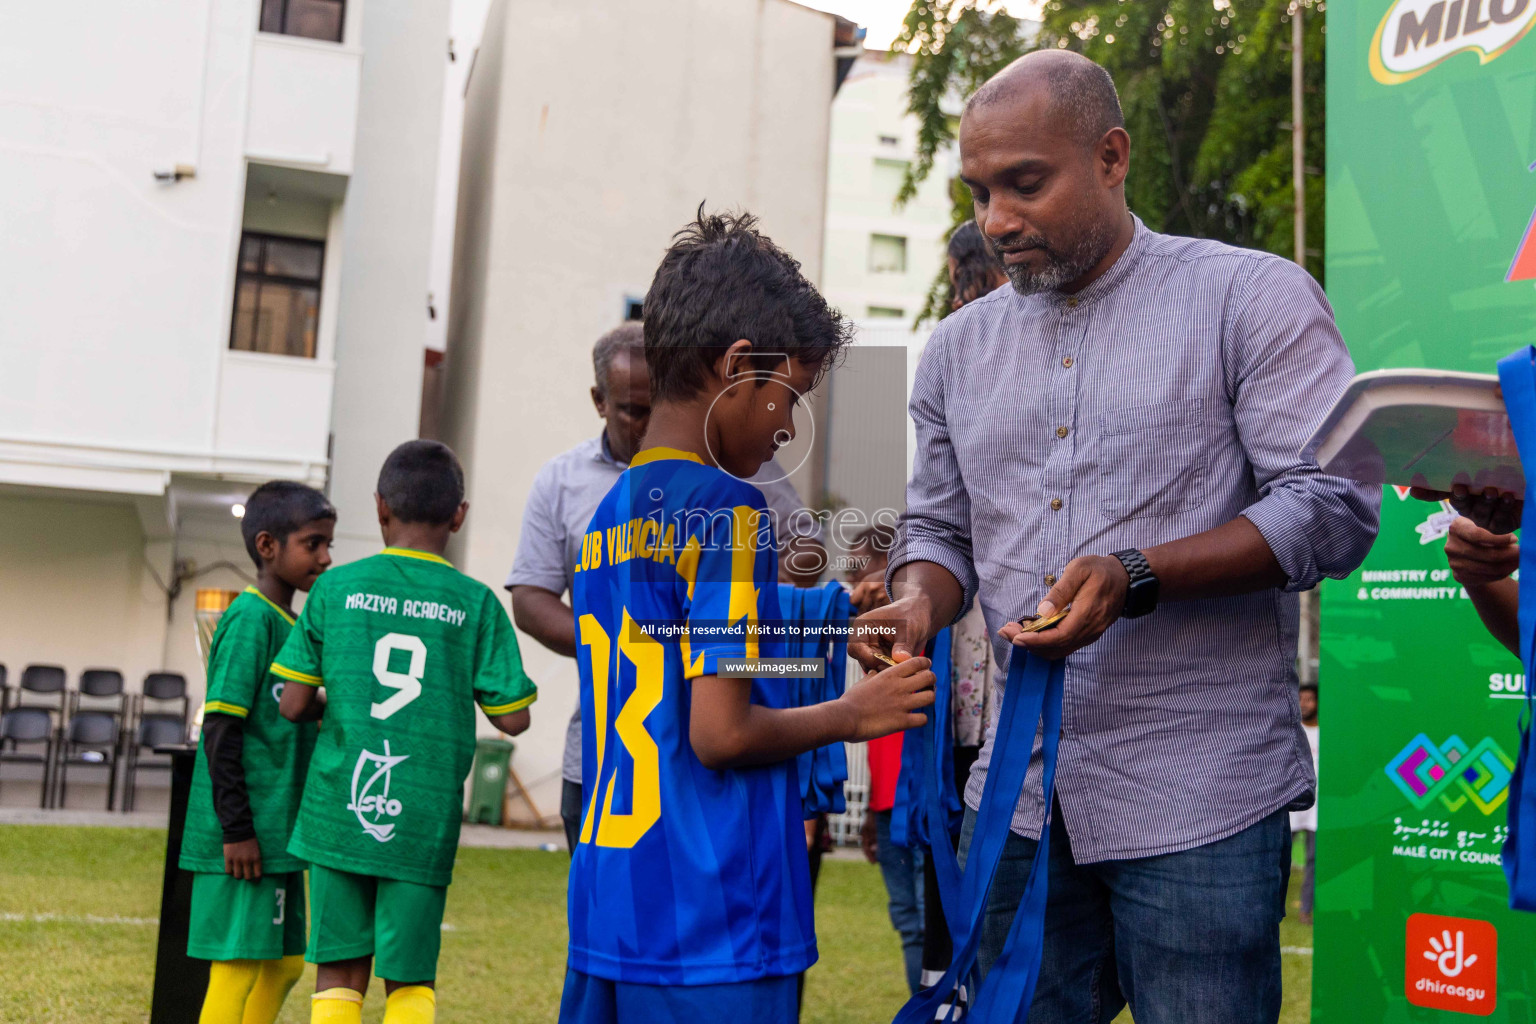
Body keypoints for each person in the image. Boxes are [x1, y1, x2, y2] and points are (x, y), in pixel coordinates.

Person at [850, 50, 1380, 1022]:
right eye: (978, 192)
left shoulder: (1249, 298)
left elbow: (1333, 504)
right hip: (1016, 800)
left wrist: (1139, 573)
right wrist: (917, 600)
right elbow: (938, 530)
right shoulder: (957, 352)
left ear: (1111, 155)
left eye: (1025, 183)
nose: (996, 220)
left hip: (1198, 797)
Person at [559, 208, 936, 1024]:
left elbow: (678, 654)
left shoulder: (608, 521)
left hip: (611, 900)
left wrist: (834, 627)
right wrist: (850, 713)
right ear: (737, 367)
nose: (787, 428)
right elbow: (719, 733)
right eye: (788, 397)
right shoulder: (729, 510)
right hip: (715, 912)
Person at [509, 324, 828, 855]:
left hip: (710, 740)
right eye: (634, 409)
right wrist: (637, 642)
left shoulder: (740, 465)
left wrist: (746, 626)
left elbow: (806, 549)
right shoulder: (564, 482)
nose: (648, 424)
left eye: (658, 404)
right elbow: (530, 599)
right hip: (612, 753)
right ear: (599, 401)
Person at [273, 440, 536, 1024]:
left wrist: (344, 698)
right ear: (459, 515)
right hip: (421, 812)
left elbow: (292, 705)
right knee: (411, 976)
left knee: (339, 970)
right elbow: (513, 716)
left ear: (379, 508)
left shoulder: (334, 590)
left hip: (340, 805)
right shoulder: (476, 604)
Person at [180, 481, 335, 1024]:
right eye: (313, 544)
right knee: (238, 966)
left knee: (287, 964)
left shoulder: (292, 623)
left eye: (328, 544)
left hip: (280, 834)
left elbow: (290, 710)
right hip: (247, 835)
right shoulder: (250, 619)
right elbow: (221, 729)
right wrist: (236, 829)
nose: (326, 556)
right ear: (267, 546)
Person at [851, 527, 925, 996]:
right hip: (886, 804)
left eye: (859, 568)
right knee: (907, 920)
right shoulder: (869, 638)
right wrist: (870, 815)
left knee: (931, 917)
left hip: (923, 803)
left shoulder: (916, 630)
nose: (854, 582)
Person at [1289, 683, 1319, 926]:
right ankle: (1271, 907)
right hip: (1290, 810)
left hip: (1317, 811)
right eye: (1301, 699)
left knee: (1313, 862)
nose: (1304, 704)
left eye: (1309, 699)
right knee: (1277, 860)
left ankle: (1305, 910)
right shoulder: (1290, 731)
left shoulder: (1327, 733)